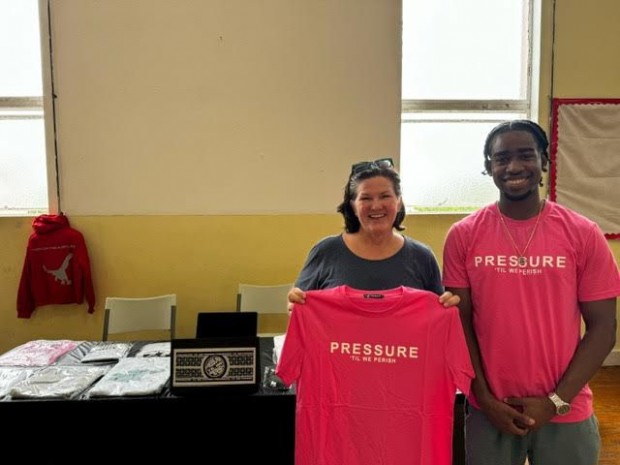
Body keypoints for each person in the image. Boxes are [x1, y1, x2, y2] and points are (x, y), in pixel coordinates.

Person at [442, 119, 620, 465]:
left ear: (544, 162)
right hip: (490, 410)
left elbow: (603, 327)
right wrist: (484, 398)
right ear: (488, 166)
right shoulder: (463, 235)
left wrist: (556, 401)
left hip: (566, 407)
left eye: (525, 155)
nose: (513, 167)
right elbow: (459, 325)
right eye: (501, 158)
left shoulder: (583, 233)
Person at [287, 157, 459, 307]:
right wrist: (295, 303)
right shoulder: (326, 252)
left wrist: (446, 307)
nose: (376, 206)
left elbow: (436, 313)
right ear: (353, 206)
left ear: (399, 202)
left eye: (385, 196)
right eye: (366, 198)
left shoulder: (422, 257)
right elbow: (299, 306)